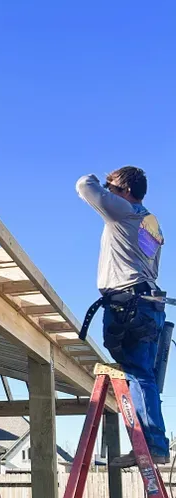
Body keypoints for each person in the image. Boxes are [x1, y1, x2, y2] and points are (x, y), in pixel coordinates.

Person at [76, 168, 168, 466]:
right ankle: (152, 442)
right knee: (141, 374)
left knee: (138, 373)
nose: (108, 191)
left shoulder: (125, 211)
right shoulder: (149, 220)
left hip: (129, 304)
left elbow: (84, 186)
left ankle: (153, 444)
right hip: (147, 303)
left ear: (125, 191)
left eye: (112, 187)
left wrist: (104, 184)